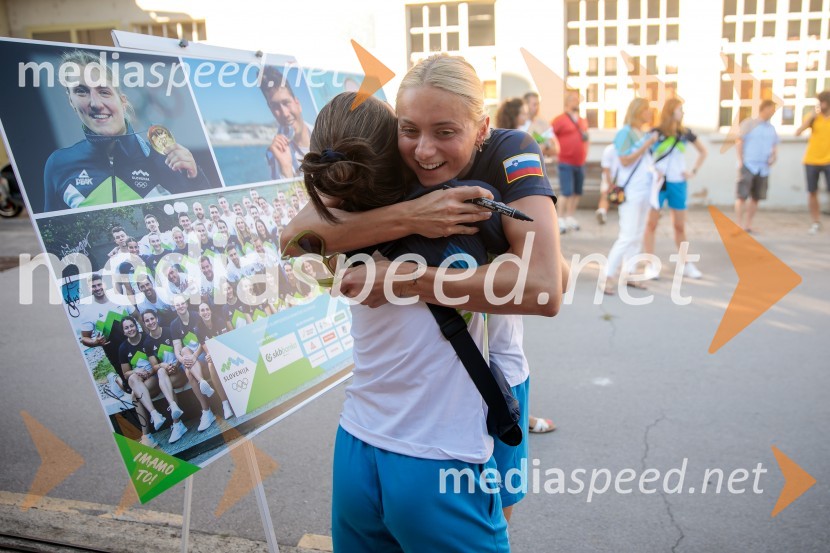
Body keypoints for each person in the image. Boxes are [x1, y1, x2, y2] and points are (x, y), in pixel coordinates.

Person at [285, 55, 565, 549]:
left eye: (445, 132)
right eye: (409, 128)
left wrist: (401, 277)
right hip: (435, 434)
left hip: (497, 373)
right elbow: (296, 238)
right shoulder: (386, 157)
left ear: (480, 127)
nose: (424, 150)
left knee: (502, 505)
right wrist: (415, 215)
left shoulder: (510, 148)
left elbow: (547, 283)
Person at [43, 50, 209, 212]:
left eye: (104, 92)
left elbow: (204, 219)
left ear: (122, 101)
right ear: (71, 101)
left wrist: (196, 179)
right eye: (81, 91)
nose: (95, 103)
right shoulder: (58, 164)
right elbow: (51, 237)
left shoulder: (166, 159)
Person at [642, 99, 707, 280]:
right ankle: (650, 264)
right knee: (651, 224)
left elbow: (703, 151)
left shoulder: (685, 133)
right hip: (659, 184)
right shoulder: (655, 133)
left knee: (679, 226)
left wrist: (692, 171)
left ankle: (686, 263)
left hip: (678, 183)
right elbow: (645, 156)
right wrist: (653, 170)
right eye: (680, 109)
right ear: (670, 111)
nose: (683, 113)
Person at [603, 98, 658, 295]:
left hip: (644, 190)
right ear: (637, 112)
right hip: (631, 191)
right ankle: (607, 276)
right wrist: (646, 144)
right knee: (626, 236)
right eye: (646, 110)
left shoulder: (641, 133)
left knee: (637, 235)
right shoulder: (625, 133)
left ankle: (630, 274)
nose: (649, 114)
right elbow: (625, 160)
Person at [78, 273, 138, 393]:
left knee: (143, 377)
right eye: (93, 286)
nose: (97, 288)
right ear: (89, 289)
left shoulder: (119, 298)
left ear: (104, 284)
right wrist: (95, 342)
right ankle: (115, 379)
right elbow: (84, 338)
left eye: (99, 284)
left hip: (134, 344)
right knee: (130, 389)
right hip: (113, 351)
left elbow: (138, 316)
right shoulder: (87, 312)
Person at [140, 309, 190, 444]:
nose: (150, 322)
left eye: (152, 319)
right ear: (144, 324)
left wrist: (176, 365)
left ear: (156, 318)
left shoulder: (169, 331)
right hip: (167, 375)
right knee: (161, 373)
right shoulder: (147, 343)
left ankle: (177, 424)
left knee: (165, 384)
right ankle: (175, 412)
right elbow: (154, 366)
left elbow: (181, 350)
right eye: (147, 321)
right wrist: (164, 366)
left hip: (180, 370)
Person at [169, 295, 217, 432]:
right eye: (177, 305)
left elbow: (204, 339)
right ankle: (203, 384)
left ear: (186, 304)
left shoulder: (197, 316)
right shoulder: (174, 325)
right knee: (185, 356)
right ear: (174, 307)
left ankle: (206, 411)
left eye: (182, 303)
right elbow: (177, 349)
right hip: (191, 359)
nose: (180, 306)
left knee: (189, 371)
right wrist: (181, 359)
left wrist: (194, 356)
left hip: (202, 354)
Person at [259, 65, 312, 180]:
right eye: (275, 106)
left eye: (286, 102)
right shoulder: (275, 155)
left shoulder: (326, 134)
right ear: (271, 110)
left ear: (297, 103)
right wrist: (286, 169)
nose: (285, 113)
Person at [735, 100, 779, 233]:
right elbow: (739, 141)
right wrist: (741, 160)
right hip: (748, 164)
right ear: (764, 108)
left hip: (763, 167)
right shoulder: (749, 123)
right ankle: (738, 224)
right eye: (771, 109)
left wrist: (774, 157)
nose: (772, 112)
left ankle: (748, 224)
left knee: (756, 197)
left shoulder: (771, 128)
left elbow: (775, 145)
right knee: (742, 195)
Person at [552, 90, 589, 233]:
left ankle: (570, 216)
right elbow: (550, 135)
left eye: (578, 100)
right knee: (566, 191)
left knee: (577, 191)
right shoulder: (560, 119)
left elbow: (587, 137)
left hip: (580, 162)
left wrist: (586, 153)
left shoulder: (582, 120)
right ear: (567, 102)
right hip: (565, 161)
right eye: (573, 99)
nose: (576, 102)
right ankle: (560, 218)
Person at [795, 90, 830, 235]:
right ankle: (816, 222)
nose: (820, 105)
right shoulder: (813, 118)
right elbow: (797, 133)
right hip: (811, 160)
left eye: (822, 102)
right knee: (812, 192)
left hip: (828, 160)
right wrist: (810, 120)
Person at [195, 302, 235, 421]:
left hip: (227, 350)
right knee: (211, 364)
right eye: (202, 310)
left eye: (207, 309)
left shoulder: (219, 321)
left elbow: (226, 342)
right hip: (215, 355)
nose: (205, 312)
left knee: (213, 361)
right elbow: (207, 350)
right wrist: (210, 356)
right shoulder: (198, 329)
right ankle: (225, 404)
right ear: (199, 313)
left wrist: (214, 353)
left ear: (210, 311)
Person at [520, 92, 558, 158]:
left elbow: (555, 149)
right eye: (534, 104)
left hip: (544, 165)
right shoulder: (520, 124)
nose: (537, 107)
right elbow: (521, 150)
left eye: (538, 104)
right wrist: (542, 147)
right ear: (525, 105)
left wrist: (539, 149)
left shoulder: (544, 124)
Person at [596, 144, 618, 225]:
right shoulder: (609, 150)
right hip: (610, 177)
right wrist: (610, 184)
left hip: (623, 178)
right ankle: (602, 211)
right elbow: (606, 168)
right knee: (605, 194)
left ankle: (602, 211)